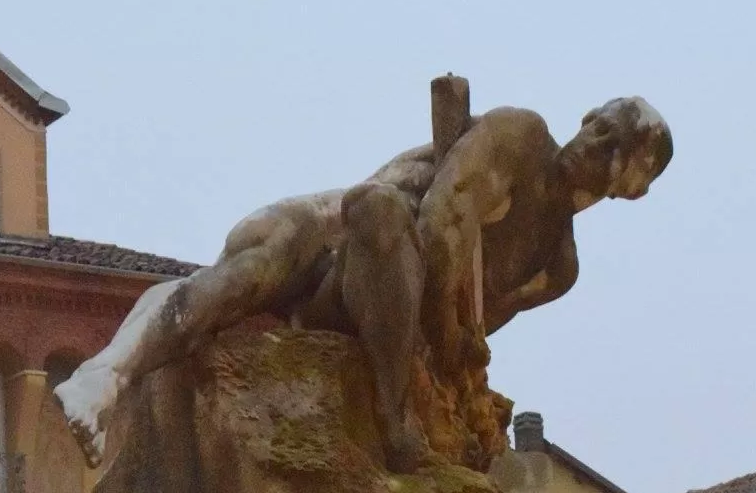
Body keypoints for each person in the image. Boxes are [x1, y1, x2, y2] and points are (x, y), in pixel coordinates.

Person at [55, 96, 672, 471]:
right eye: (600, 129)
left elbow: (469, 332)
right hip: (334, 238)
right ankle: (104, 380)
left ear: (633, 186)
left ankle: (391, 415)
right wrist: (453, 332)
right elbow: (436, 222)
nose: (595, 147)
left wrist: (460, 346)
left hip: (374, 315)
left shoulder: (557, 268)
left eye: (617, 150)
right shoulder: (520, 136)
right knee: (259, 270)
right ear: (588, 117)